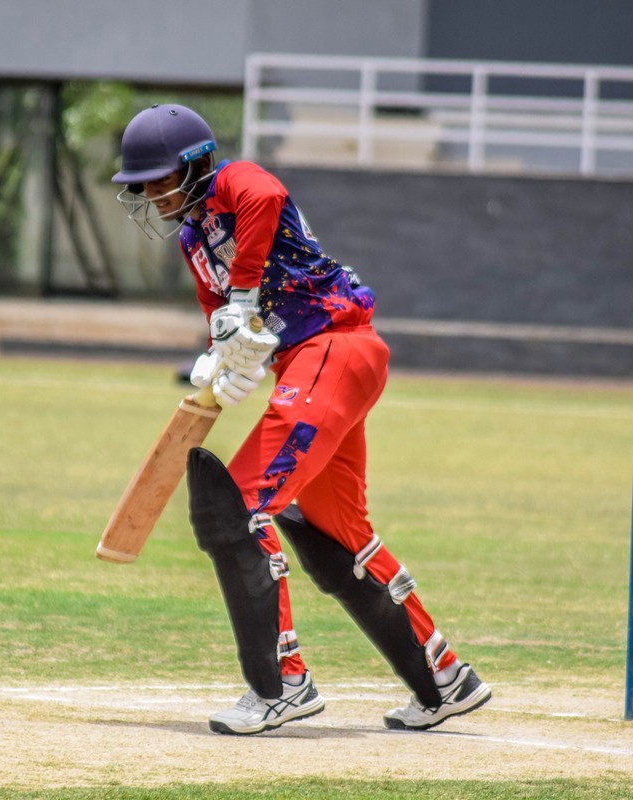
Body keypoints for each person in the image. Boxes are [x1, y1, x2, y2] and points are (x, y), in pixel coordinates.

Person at [110, 104, 491, 735]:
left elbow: (265, 199)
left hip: (332, 347)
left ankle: (282, 684)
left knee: (238, 506)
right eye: (142, 185)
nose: (152, 195)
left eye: (160, 180)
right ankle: (443, 678)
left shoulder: (236, 182)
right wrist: (227, 359)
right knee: (334, 529)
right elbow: (223, 320)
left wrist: (242, 298)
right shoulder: (192, 239)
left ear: (197, 166)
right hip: (312, 362)